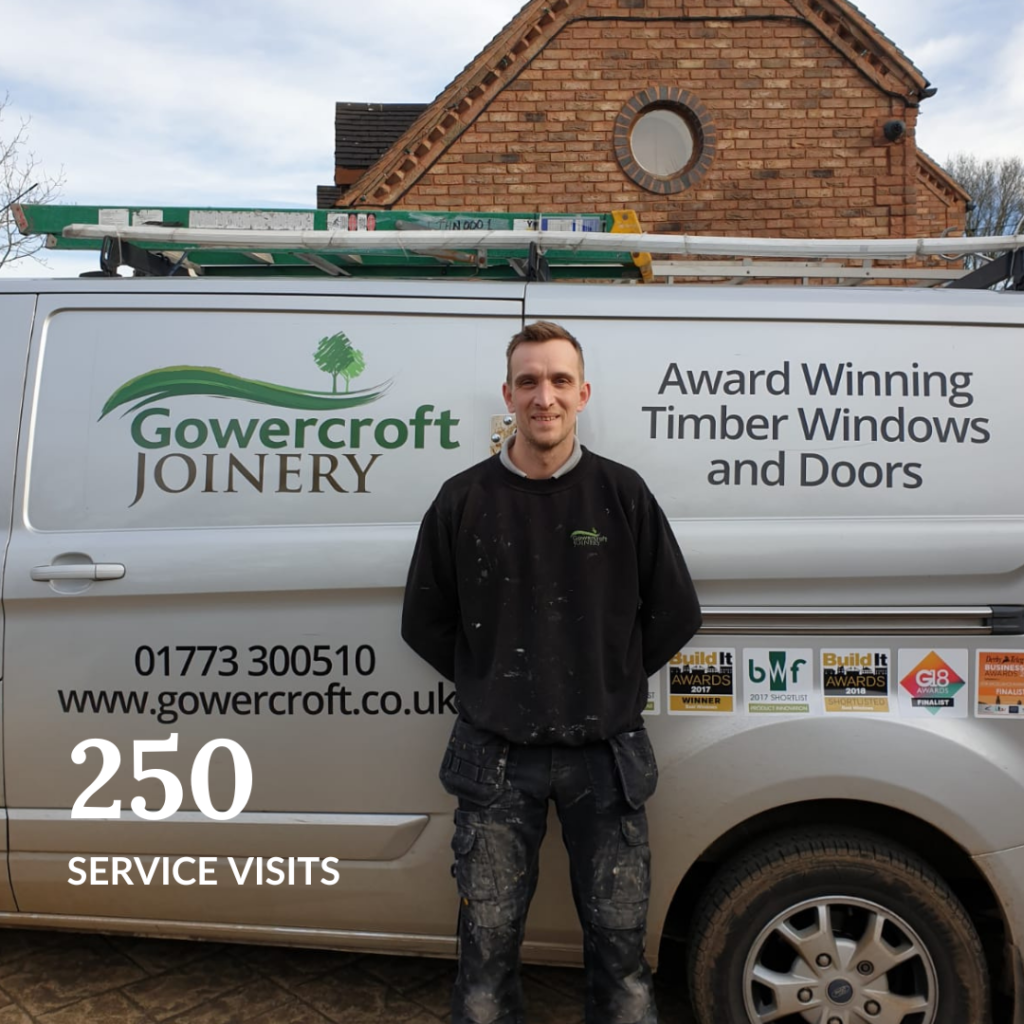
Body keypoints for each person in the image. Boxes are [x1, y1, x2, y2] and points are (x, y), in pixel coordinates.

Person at [402, 321, 702, 1024]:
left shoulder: (622, 496)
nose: (545, 397)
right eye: (529, 381)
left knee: (624, 969)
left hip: (606, 754)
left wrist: (605, 676)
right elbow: (423, 620)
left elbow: (675, 611)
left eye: (560, 381)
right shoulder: (462, 501)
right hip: (494, 757)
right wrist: (490, 680)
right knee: (483, 970)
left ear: (583, 393)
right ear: (507, 394)